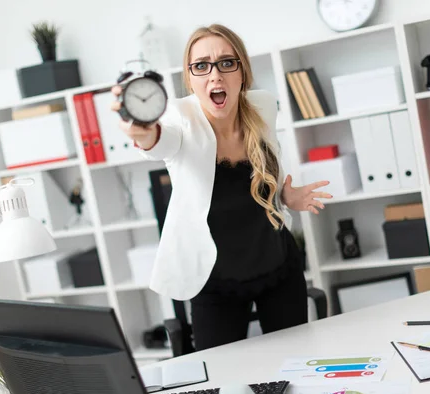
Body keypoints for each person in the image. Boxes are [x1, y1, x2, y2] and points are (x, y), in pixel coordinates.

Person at [111, 24, 332, 351]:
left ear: (242, 71)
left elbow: (267, 173)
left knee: (297, 363)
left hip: (278, 266)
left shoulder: (263, 107)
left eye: (227, 63)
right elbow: (157, 141)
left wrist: (285, 196)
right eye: (201, 66)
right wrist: (141, 128)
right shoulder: (179, 118)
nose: (215, 75)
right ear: (190, 78)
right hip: (215, 282)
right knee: (220, 382)